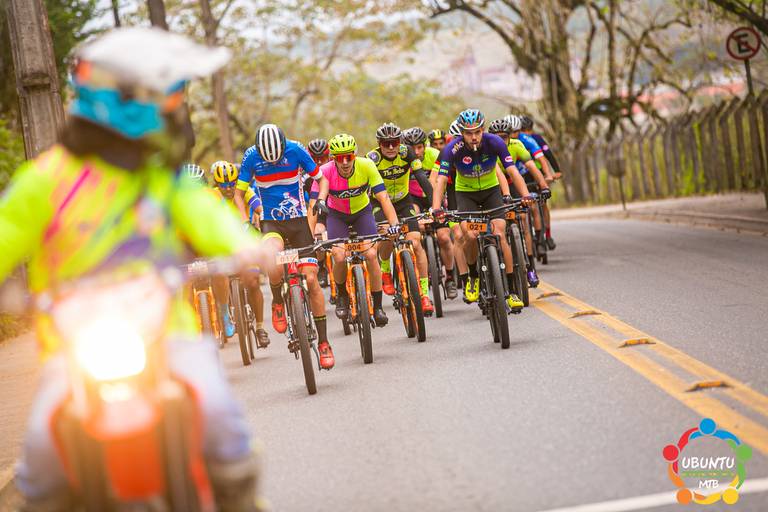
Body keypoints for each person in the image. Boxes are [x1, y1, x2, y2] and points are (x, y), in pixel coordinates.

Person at [0, 27, 265, 511]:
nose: (172, 111)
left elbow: (207, 217)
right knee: (40, 448)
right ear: (124, 102)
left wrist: (247, 247)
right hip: (73, 348)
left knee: (219, 413)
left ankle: (242, 501)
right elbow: (6, 232)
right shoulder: (44, 181)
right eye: (163, 99)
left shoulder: (159, 175)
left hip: (168, 335)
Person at [234, 124, 336, 370]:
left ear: (282, 146)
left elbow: (321, 180)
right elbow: (238, 194)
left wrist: (321, 201)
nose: (272, 161)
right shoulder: (251, 156)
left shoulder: (296, 149)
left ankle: (324, 342)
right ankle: (278, 300)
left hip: (299, 221)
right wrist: (246, 222)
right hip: (272, 222)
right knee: (271, 257)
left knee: (311, 279)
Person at [431, 109, 533, 311]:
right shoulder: (452, 148)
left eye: (477, 132)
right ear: (462, 133)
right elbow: (441, 180)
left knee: (500, 234)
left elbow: (512, 170)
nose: (474, 137)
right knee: (470, 235)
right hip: (465, 194)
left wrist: (526, 195)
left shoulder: (494, 142)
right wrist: (436, 208)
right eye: (469, 133)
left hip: (491, 191)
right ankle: (473, 276)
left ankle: (512, 290)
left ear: (483, 130)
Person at [313, 133, 400, 326]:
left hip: (362, 213)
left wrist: (394, 224)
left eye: (349, 157)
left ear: (355, 154)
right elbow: (314, 203)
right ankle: (342, 295)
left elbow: (383, 197)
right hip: (336, 216)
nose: (345, 162)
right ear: (333, 158)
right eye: (340, 158)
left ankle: (378, 306)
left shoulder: (367, 165)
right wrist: (311, 234)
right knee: (338, 255)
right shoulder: (324, 171)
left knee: (371, 254)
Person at [367, 122, 434, 316]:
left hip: (404, 202)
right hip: (380, 203)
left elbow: (421, 178)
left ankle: (424, 293)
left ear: (400, 142)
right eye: (385, 143)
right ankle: (385, 269)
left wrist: (434, 205)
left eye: (394, 143)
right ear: (379, 144)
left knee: (416, 242)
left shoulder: (407, 153)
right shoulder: (372, 159)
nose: (390, 147)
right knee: (388, 235)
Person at [212, 160, 270, 347]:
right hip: (223, 245)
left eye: (232, 184)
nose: (229, 189)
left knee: (253, 282)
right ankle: (224, 313)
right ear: (217, 184)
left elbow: (258, 207)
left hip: (244, 243)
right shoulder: (212, 196)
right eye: (224, 185)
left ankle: (260, 327)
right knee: (218, 274)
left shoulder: (244, 191)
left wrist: (262, 216)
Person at [489, 118, 550, 288]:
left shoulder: (516, 145)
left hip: (514, 183)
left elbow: (531, 166)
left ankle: (530, 267)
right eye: (497, 137)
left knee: (523, 219)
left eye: (504, 137)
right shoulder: (487, 149)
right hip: (494, 187)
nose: (501, 140)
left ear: (510, 137)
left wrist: (544, 186)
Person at [403, 126, 458, 299]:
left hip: (434, 197)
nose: (416, 152)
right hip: (414, 199)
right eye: (412, 148)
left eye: (420, 147)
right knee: (417, 231)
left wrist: (441, 202)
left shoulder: (434, 155)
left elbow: (443, 180)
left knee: (444, 237)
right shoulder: (402, 159)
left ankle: (450, 277)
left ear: (425, 145)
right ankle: (423, 267)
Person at [520, 115, 561, 250]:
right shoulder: (515, 141)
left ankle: (547, 235)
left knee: (542, 204)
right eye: (522, 130)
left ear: (531, 130)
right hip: (522, 175)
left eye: (527, 130)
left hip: (538, 174)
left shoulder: (536, 139)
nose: (526, 133)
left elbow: (547, 154)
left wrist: (556, 171)